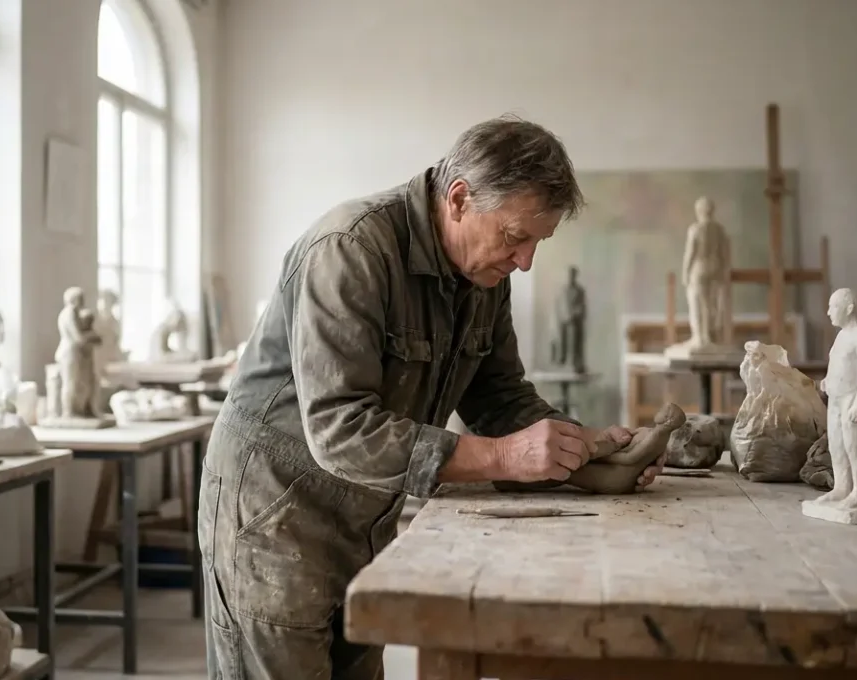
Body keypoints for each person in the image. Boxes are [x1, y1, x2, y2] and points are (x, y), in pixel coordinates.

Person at [197, 115, 665, 679]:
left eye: (537, 243)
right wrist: (505, 458)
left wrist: (581, 449)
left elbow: (500, 397)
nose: (525, 262)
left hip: (364, 514)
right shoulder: (350, 249)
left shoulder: (485, 276)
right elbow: (341, 430)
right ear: (460, 198)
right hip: (274, 515)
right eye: (516, 237)